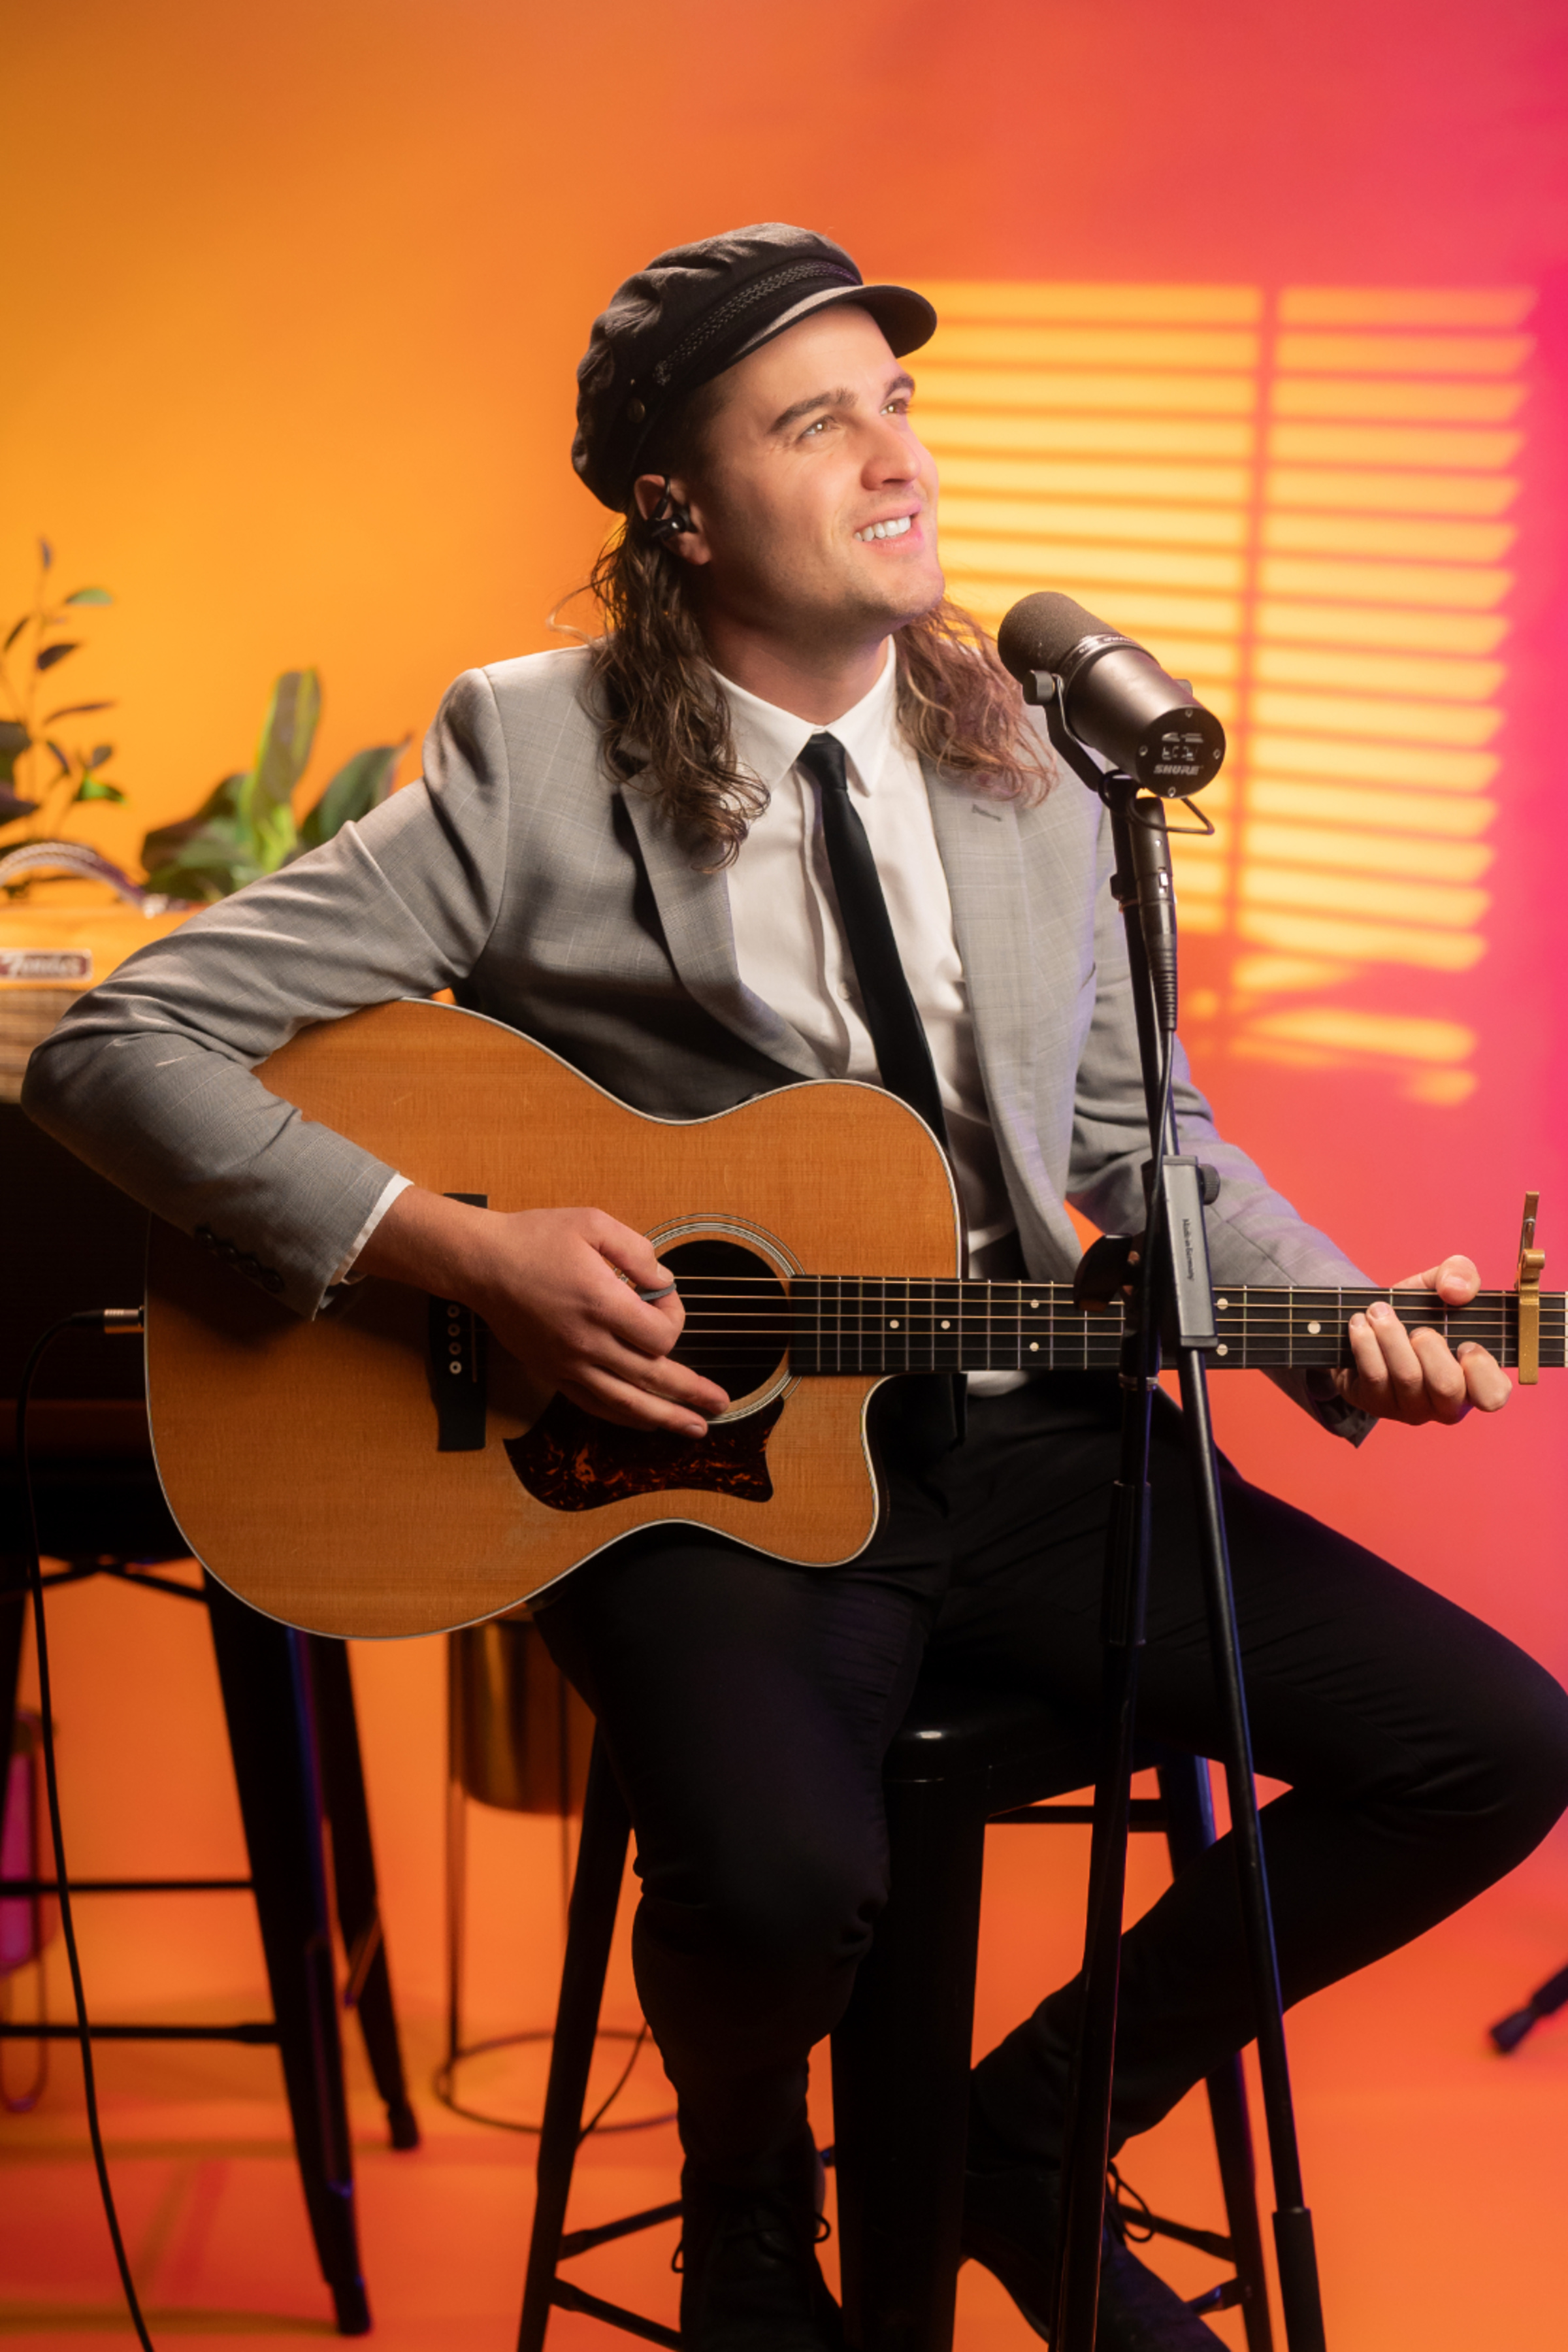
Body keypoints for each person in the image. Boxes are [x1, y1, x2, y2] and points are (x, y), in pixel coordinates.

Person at [24, 225, 1568, 2351]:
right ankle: (748, 2190)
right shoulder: (531, 759)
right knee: (772, 1885)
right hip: (691, 1454)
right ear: (677, 501)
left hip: (1020, 1443)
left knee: (1494, 1744)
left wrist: (1340, 1324)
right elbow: (109, 1048)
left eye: (899, 403)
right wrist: (461, 1256)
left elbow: (1141, 1140)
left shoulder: (1035, 761)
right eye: (814, 417)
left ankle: (1032, 2132)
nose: (890, 457)